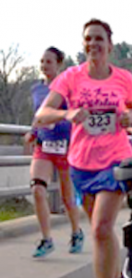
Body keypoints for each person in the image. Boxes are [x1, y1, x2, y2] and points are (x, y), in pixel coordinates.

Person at [33, 19, 132, 278]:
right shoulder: (71, 78)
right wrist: (67, 113)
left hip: (115, 160)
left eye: (99, 38)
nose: (93, 43)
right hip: (81, 163)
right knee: (101, 232)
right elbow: (42, 115)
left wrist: (127, 118)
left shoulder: (122, 78)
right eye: (88, 39)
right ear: (84, 45)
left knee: (100, 229)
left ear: (109, 44)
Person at [24, 47, 84, 258]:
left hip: (65, 146)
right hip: (44, 146)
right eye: (42, 61)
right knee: (37, 190)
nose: (44, 66)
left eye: (49, 62)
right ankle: (46, 239)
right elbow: (38, 114)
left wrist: (58, 117)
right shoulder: (36, 89)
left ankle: (76, 232)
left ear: (58, 64)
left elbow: (74, 114)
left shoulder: (67, 88)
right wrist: (32, 131)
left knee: (67, 197)